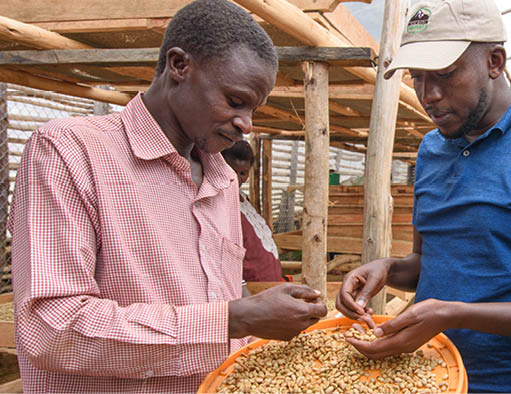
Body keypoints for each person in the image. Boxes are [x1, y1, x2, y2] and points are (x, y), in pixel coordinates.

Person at [8, 1, 326, 392]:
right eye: (235, 101)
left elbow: (222, 294)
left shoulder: (222, 179)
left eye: (254, 109)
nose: (247, 123)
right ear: (179, 66)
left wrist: (261, 314)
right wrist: (233, 319)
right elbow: (51, 328)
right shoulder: (71, 152)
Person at [336, 0, 511, 392]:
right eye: (417, 77)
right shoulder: (432, 149)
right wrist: (388, 269)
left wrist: (454, 315)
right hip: (433, 376)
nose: (427, 94)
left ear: (494, 61)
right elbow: (430, 262)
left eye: (445, 75)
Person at [221, 140, 283, 285]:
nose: (237, 177)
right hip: (251, 289)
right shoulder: (221, 201)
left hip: (269, 285)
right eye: (231, 170)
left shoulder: (244, 199)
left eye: (243, 173)